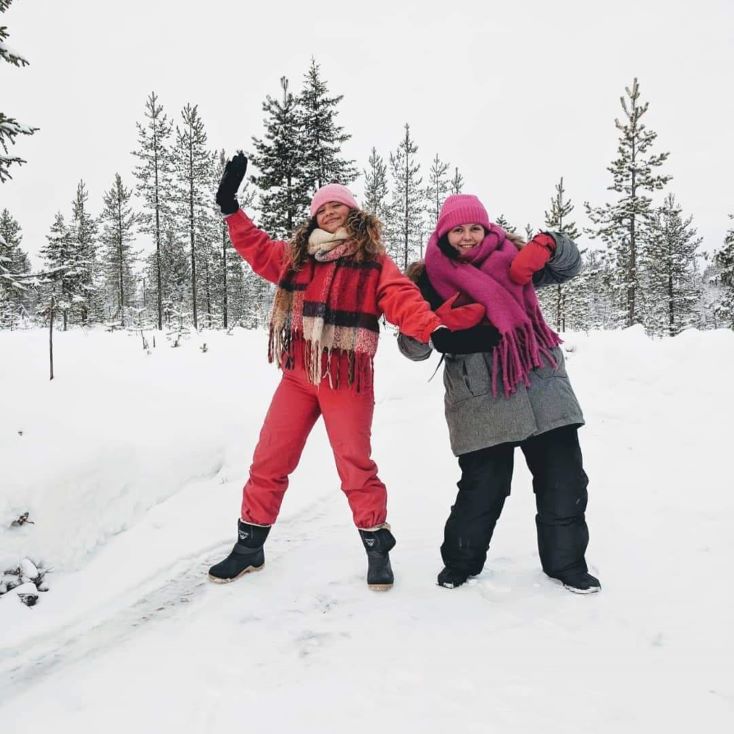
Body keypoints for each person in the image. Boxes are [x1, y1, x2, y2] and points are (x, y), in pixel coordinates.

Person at [208, 154, 495, 590]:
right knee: (269, 458)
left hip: (346, 377)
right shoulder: (296, 257)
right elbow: (257, 248)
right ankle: (250, 545)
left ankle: (377, 547)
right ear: (314, 218)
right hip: (298, 375)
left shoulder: (373, 261)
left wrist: (434, 330)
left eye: (337, 205)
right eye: (322, 207)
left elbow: (402, 298)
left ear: (353, 212)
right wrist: (231, 207)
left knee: (355, 466)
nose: (329, 210)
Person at [398, 194, 601, 594]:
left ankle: (567, 565)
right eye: (458, 230)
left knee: (564, 480)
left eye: (475, 228)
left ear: (487, 228)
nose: (468, 237)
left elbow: (569, 266)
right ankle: (461, 563)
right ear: (444, 233)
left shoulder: (512, 258)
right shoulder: (426, 280)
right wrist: (437, 332)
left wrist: (550, 244)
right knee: (483, 487)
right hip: (479, 397)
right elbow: (411, 349)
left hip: (541, 384)